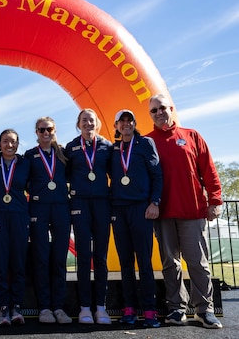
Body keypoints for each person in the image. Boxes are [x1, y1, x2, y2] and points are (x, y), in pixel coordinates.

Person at [146, 94, 223, 329]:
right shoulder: (147, 142)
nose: (159, 113)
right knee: (171, 263)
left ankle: (204, 310)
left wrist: (215, 200)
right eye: (154, 110)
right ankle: (176, 309)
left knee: (198, 263)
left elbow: (208, 170)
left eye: (162, 108)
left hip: (192, 211)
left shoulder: (192, 136)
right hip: (163, 213)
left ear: (171, 109)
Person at [110, 109, 162, 328]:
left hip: (141, 208)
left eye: (129, 120)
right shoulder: (112, 149)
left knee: (144, 261)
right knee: (125, 263)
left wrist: (154, 202)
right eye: (121, 122)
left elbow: (157, 174)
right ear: (116, 127)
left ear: (134, 123)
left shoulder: (146, 143)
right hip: (118, 210)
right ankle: (129, 308)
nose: (126, 124)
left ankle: (150, 310)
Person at [64, 108, 113, 325]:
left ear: (97, 124)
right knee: (83, 257)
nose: (88, 124)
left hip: (102, 204)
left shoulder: (107, 147)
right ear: (78, 124)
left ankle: (101, 307)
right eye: (84, 120)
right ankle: (85, 307)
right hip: (80, 204)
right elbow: (64, 175)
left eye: (91, 120)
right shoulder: (71, 147)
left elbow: (116, 172)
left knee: (100, 257)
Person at [24, 117, 72, 325]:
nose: (46, 133)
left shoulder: (63, 153)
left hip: (61, 208)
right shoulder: (30, 155)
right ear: (36, 132)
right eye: (42, 129)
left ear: (54, 130)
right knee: (41, 259)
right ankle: (44, 307)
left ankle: (59, 307)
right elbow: (23, 181)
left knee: (59, 259)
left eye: (49, 129)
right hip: (39, 209)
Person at [0, 129, 30, 326]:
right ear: (0, 144)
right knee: (1, 263)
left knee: (18, 263)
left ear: (18, 144)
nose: (9, 145)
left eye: (13, 141)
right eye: (5, 141)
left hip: (19, 215)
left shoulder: (25, 163)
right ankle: (3, 307)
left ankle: (17, 306)